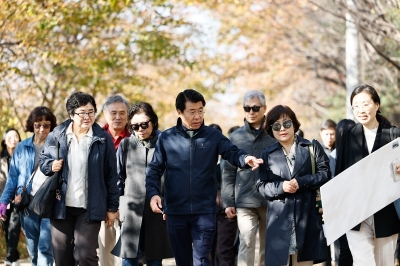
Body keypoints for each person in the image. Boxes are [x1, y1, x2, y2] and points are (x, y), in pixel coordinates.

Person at [145, 89, 263, 266]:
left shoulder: (213, 136)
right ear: (179, 112)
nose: (198, 116)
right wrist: (154, 194)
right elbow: (154, 169)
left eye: (201, 110)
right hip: (175, 211)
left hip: (204, 212)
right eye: (192, 111)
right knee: (183, 261)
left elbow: (232, 152)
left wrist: (246, 159)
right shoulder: (167, 138)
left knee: (201, 261)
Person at [39, 92, 119, 266]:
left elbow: (112, 175)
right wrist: (51, 166)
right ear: (71, 115)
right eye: (82, 112)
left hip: (89, 208)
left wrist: (112, 207)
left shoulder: (103, 139)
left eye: (91, 112)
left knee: (84, 255)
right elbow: (43, 161)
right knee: (62, 258)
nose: (87, 117)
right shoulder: (57, 134)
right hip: (61, 207)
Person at [256, 105, 330, 266]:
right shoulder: (267, 154)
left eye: (286, 123)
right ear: (271, 129)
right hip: (279, 220)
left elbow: (325, 173)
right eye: (276, 125)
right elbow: (261, 186)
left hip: (306, 218)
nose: (282, 128)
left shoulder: (311, 147)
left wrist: (302, 182)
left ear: (294, 125)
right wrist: (281, 187)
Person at [335, 84, 400, 266]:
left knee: (384, 263)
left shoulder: (394, 135)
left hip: (386, 212)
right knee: (363, 263)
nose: (360, 110)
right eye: (356, 106)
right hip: (355, 213)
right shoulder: (348, 136)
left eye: (365, 104)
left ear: (377, 105)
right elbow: (340, 174)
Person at [112, 102, 173, 266]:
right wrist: (117, 206)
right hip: (131, 209)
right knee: (128, 258)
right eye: (135, 126)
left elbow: (172, 179)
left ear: (153, 121)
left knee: (155, 260)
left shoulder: (166, 143)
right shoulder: (125, 145)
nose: (140, 130)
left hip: (157, 209)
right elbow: (118, 178)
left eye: (144, 124)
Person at [222, 90, 276, 266]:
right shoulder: (235, 137)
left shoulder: (274, 135)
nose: (251, 112)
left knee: (268, 247)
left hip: (270, 200)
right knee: (246, 244)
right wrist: (228, 201)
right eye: (247, 108)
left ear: (264, 108)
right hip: (244, 200)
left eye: (255, 108)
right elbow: (228, 172)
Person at [0, 107, 57, 266]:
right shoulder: (21, 147)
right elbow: (12, 177)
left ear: (51, 126)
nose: (42, 129)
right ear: (32, 125)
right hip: (26, 204)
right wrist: (4, 201)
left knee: (45, 248)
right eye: (38, 125)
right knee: (33, 250)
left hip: (49, 203)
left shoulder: (57, 147)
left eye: (46, 125)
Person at [99, 95, 131, 266]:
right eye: (113, 113)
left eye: (122, 113)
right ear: (105, 114)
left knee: (127, 250)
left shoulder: (135, 137)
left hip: (129, 200)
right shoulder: (97, 137)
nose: (118, 117)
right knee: (106, 246)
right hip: (103, 200)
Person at [208, 123, 237, 266]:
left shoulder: (228, 158)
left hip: (226, 208)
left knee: (224, 249)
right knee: (207, 249)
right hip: (205, 209)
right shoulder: (200, 160)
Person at [328, 119, 355, 266]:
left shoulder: (361, 153)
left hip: (360, 208)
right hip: (341, 210)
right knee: (344, 249)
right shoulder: (333, 156)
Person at [0, 129, 21, 266]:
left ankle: (9, 258)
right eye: (10, 136)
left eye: (16, 136)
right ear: (4, 140)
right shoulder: (0, 159)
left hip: (19, 198)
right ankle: (15, 256)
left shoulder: (24, 156)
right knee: (6, 227)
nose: (13, 139)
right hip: (2, 199)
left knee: (14, 225)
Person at [318, 119, 337, 266]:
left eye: (332, 134)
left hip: (337, 200)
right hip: (321, 201)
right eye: (326, 134)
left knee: (338, 242)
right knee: (324, 240)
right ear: (321, 133)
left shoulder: (340, 151)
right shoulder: (316, 152)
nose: (329, 137)